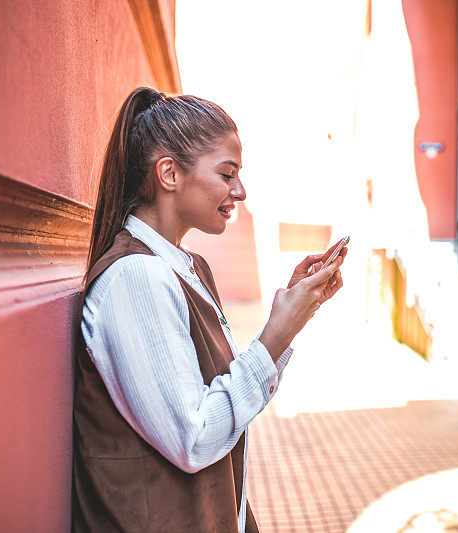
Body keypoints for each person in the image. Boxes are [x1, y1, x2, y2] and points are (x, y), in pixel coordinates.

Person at [72, 87, 346, 532]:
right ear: (169, 174)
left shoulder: (186, 266)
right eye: (227, 173)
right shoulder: (137, 277)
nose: (240, 191)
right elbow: (195, 438)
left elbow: (222, 401)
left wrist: (291, 317)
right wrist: (277, 331)